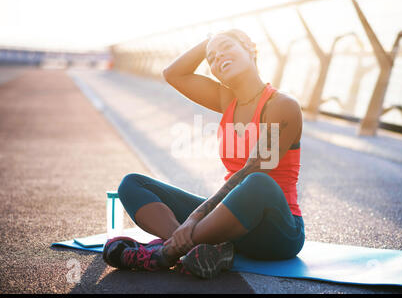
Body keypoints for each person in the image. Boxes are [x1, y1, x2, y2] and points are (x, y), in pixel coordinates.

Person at [102, 29, 305, 279]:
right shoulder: (226, 99)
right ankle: (199, 248)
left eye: (227, 48)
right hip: (230, 224)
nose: (219, 58)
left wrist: (194, 219)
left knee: (258, 183)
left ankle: (165, 253)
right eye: (212, 58)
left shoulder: (282, 105)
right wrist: (209, 42)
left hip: (277, 230)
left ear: (251, 49)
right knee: (132, 184)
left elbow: (251, 171)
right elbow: (173, 74)